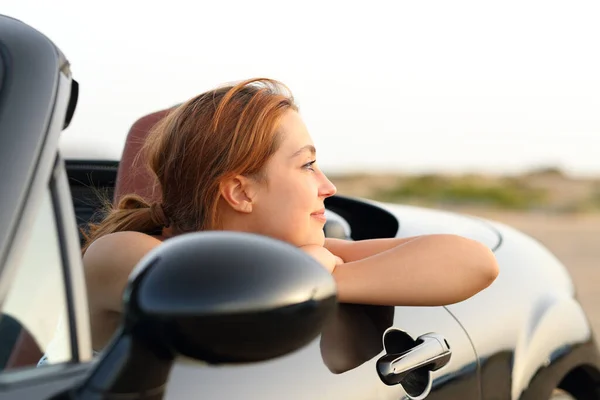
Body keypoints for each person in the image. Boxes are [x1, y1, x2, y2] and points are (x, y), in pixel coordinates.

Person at [82, 78, 499, 351]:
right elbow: (228, 305)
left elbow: (474, 261)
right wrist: (313, 271)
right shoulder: (122, 253)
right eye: (306, 165)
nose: (328, 187)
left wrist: (327, 278)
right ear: (241, 192)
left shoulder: (295, 256)